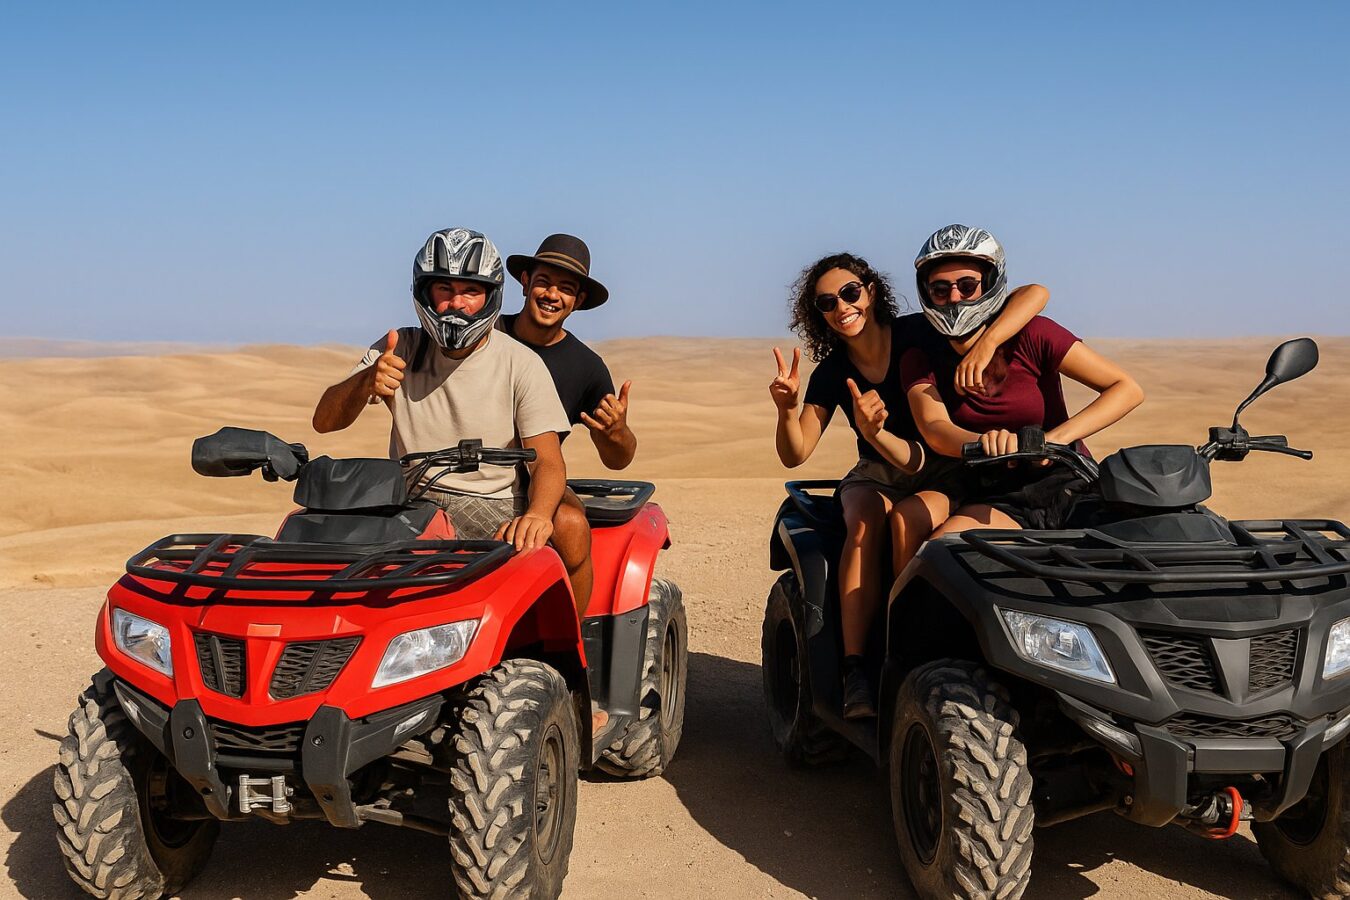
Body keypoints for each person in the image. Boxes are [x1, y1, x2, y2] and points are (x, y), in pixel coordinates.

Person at [771, 251, 1050, 719]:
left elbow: (1035, 294)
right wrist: (785, 408)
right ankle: (857, 669)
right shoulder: (832, 371)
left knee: (914, 525)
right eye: (826, 303)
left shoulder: (920, 332)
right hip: (877, 473)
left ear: (871, 291)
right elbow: (796, 452)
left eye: (849, 293)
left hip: (944, 469)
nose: (841, 307)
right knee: (863, 520)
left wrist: (986, 345)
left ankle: (916, 655)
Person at [311, 227, 594, 616]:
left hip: (494, 506)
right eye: (443, 289)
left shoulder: (520, 363)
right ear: (424, 291)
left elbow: (546, 460)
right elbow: (324, 422)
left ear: (490, 296)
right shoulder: (401, 347)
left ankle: (569, 663)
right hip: (408, 504)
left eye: (470, 291)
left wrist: (537, 515)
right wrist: (366, 381)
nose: (456, 304)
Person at [883, 223, 1144, 594]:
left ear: (989, 285)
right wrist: (985, 441)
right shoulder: (922, 355)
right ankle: (906, 643)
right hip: (994, 488)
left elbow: (1126, 389)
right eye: (940, 289)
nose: (954, 298)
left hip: (1065, 481)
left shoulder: (1033, 334)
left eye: (968, 286)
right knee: (943, 553)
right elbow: (934, 426)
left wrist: (1050, 440)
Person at [502, 233, 636, 470]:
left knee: (570, 510)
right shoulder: (485, 336)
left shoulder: (587, 368)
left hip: (536, 484)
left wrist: (617, 431)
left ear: (579, 300)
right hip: (469, 480)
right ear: (525, 282)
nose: (552, 295)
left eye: (566, 288)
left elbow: (617, 461)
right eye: (543, 281)